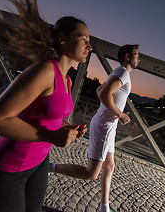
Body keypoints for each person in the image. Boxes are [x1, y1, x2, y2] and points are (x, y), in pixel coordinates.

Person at [0, 0, 91, 212]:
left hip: (38, 163)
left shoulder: (67, 79)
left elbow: (45, 115)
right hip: (9, 166)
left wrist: (66, 128)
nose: (90, 45)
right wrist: (50, 135)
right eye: (83, 39)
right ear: (62, 39)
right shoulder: (45, 71)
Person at [49, 44, 140, 212]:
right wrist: (120, 114)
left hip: (108, 126)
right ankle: (50, 167)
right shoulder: (123, 73)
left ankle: (104, 207)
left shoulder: (119, 72)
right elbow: (104, 94)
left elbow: (99, 90)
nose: (138, 58)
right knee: (91, 173)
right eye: (136, 55)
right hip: (105, 126)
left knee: (110, 166)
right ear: (127, 57)